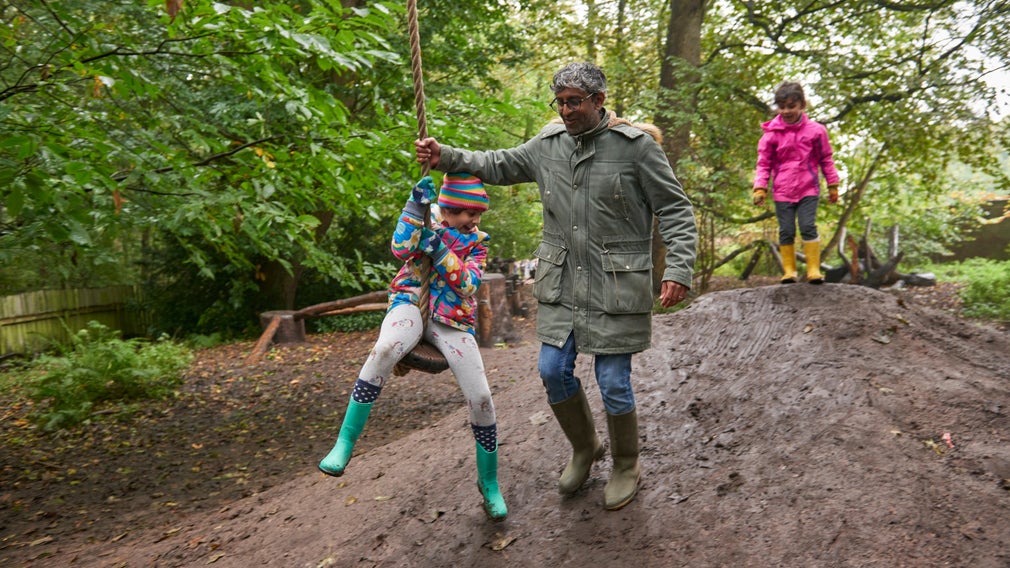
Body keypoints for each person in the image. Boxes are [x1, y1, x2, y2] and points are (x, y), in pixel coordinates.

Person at [414, 62, 697, 511]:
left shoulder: (637, 149)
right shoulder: (547, 146)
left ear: (598, 101)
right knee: (551, 370)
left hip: (616, 283)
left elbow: (677, 211)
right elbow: (496, 163)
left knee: (613, 380)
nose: (565, 110)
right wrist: (443, 155)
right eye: (560, 102)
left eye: (574, 102)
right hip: (562, 279)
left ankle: (626, 463)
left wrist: (679, 269)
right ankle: (586, 448)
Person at [318, 173, 507, 521]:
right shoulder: (424, 220)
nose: (474, 220)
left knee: (481, 396)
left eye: (478, 213)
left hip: (453, 319)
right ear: (447, 209)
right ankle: (344, 444)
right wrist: (414, 205)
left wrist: (439, 249)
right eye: (467, 213)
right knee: (386, 349)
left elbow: (467, 283)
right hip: (410, 301)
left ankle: (489, 481)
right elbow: (401, 249)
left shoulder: (478, 242)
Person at [752, 81, 840, 284]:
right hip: (782, 190)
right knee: (786, 230)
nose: (786, 111)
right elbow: (763, 164)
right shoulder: (771, 135)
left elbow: (826, 159)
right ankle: (789, 271)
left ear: (802, 105)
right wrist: (760, 187)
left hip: (808, 188)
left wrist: (832, 185)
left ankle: (813, 269)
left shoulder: (816, 131)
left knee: (808, 226)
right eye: (781, 107)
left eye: (791, 106)